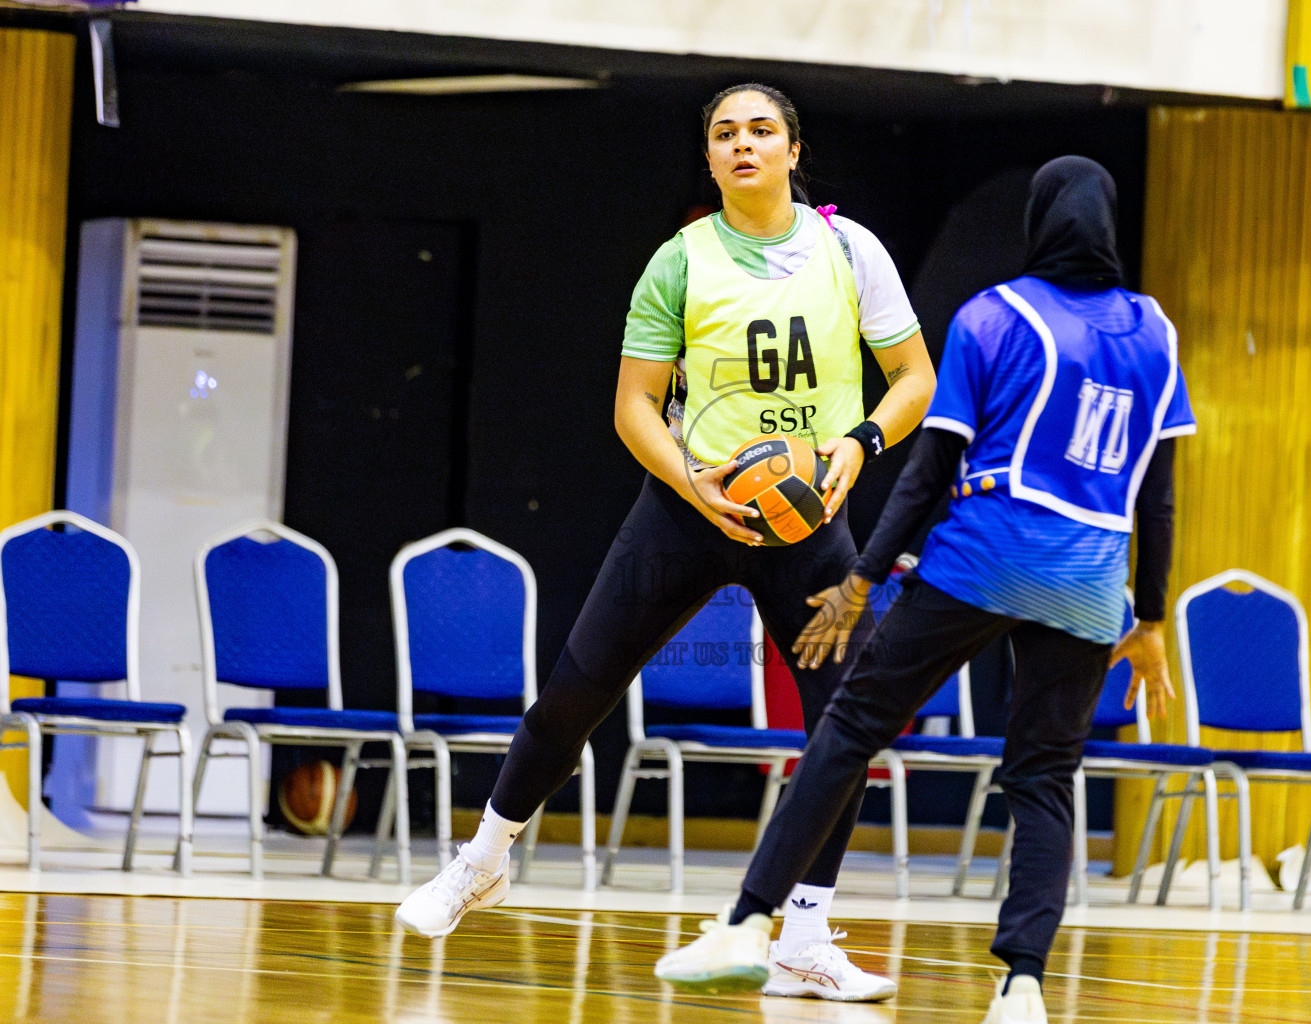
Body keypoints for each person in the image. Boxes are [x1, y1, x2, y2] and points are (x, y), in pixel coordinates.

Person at [396, 82, 936, 1004]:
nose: (742, 145)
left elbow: (913, 377)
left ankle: (803, 938)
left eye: (761, 130)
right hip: (689, 508)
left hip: (807, 520)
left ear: (794, 151)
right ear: (712, 156)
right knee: (576, 689)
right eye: (724, 133)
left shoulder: (851, 250)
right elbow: (634, 405)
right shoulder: (679, 261)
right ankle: (484, 858)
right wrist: (694, 482)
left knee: (845, 725)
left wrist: (860, 443)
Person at [653, 156, 1194, 1024]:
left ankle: (748, 924)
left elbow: (930, 471)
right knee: (1046, 780)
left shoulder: (995, 315)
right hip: (1094, 582)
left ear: (1041, 218)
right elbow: (1158, 491)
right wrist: (1156, 615)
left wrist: (862, 579)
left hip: (986, 556)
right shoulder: (1155, 330)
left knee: (849, 731)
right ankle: (1022, 985)